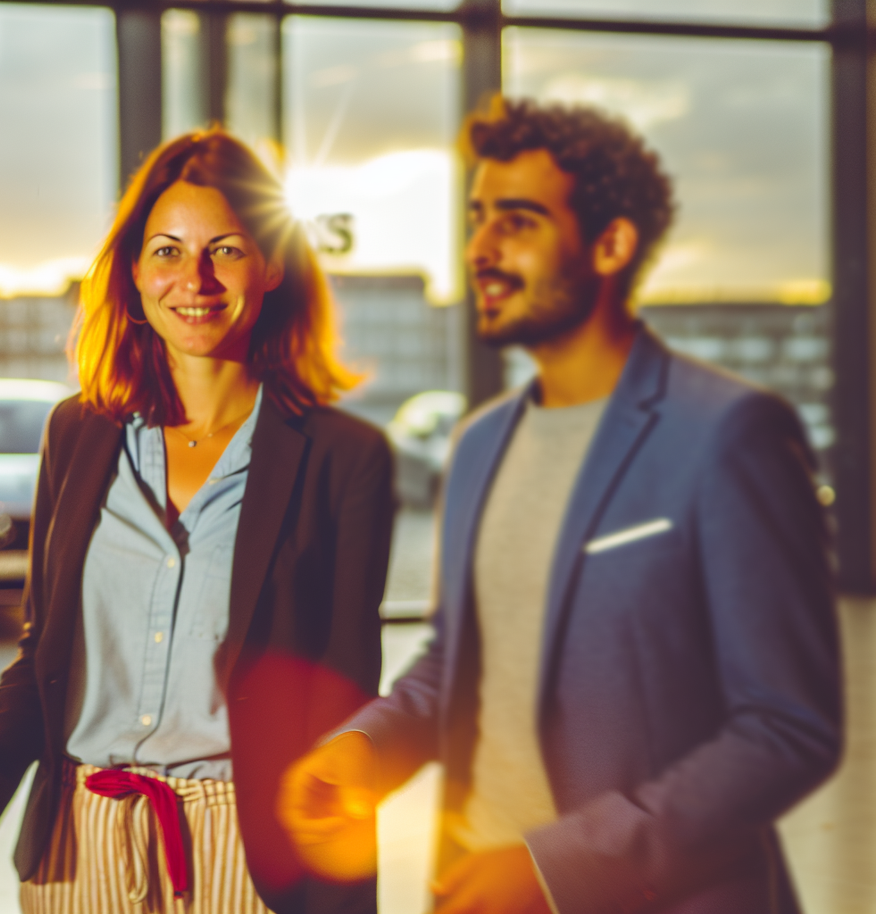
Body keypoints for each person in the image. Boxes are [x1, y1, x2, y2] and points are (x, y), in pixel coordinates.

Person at [278, 97, 843, 914]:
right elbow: (457, 661)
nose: (480, 250)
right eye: (477, 220)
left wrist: (558, 869)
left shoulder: (728, 434)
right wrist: (367, 750)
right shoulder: (477, 445)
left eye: (518, 222)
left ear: (611, 243)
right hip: (471, 889)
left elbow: (787, 727)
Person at [0, 129, 395, 914]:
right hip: (82, 841)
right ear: (136, 274)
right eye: (168, 251)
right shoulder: (77, 433)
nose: (196, 279)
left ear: (274, 265)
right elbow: (45, 651)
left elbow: (344, 698)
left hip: (251, 850)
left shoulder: (346, 457)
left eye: (227, 250)